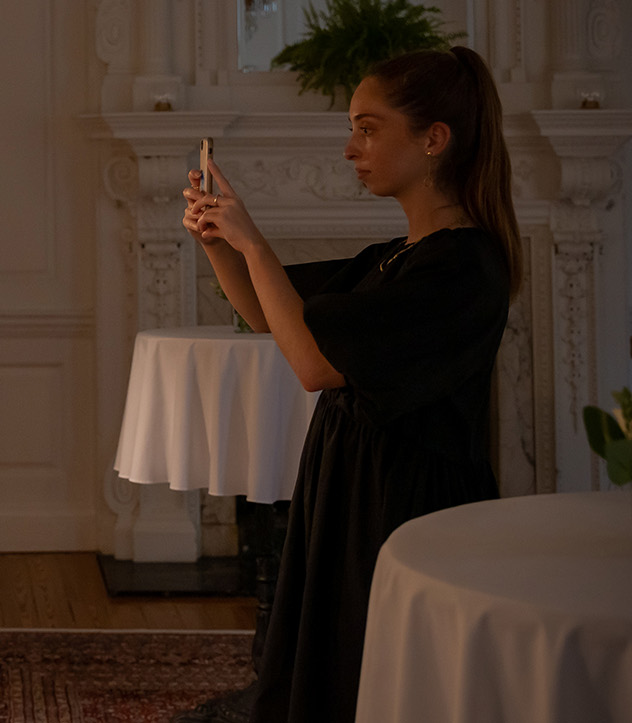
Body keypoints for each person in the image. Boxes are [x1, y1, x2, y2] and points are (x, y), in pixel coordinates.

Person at [175, 46, 519, 723]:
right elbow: (265, 312)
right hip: (351, 487)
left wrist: (253, 244)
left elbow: (312, 365)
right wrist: (218, 237)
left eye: (368, 127)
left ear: (433, 140)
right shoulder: (391, 257)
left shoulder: (464, 267)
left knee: (379, 674)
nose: (350, 147)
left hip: (404, 507)